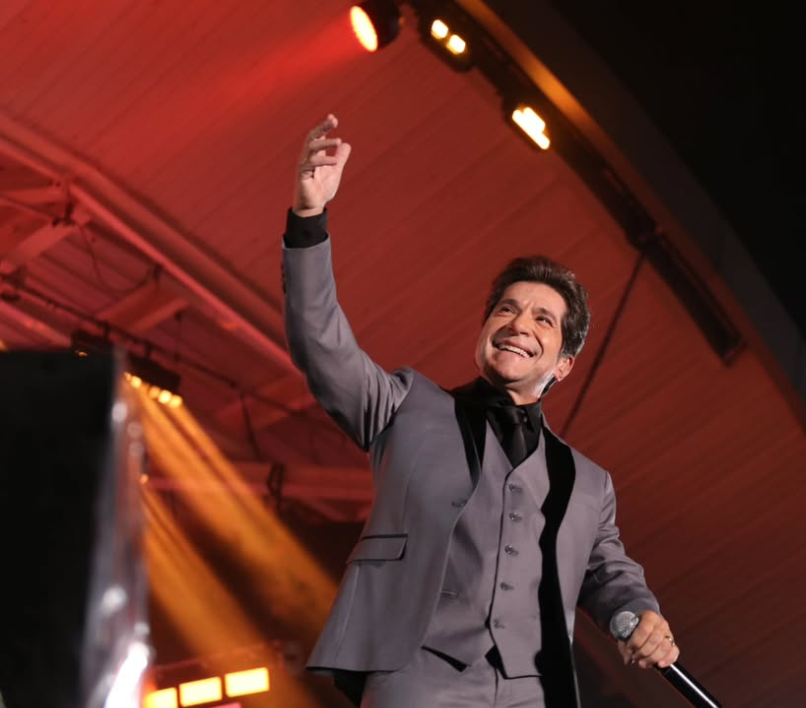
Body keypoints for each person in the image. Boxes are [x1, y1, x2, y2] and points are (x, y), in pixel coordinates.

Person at [282, 115, 679, 707]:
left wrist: (641, 612)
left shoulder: (589, 483)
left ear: (563, 364)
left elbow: (608, 574)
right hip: (416, 673)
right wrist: (309, 218)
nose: (519, 324)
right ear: (485, 327)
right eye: (506, 310)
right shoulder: (407, 406)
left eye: (543, 320)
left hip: (531, 690)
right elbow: (321, 343)